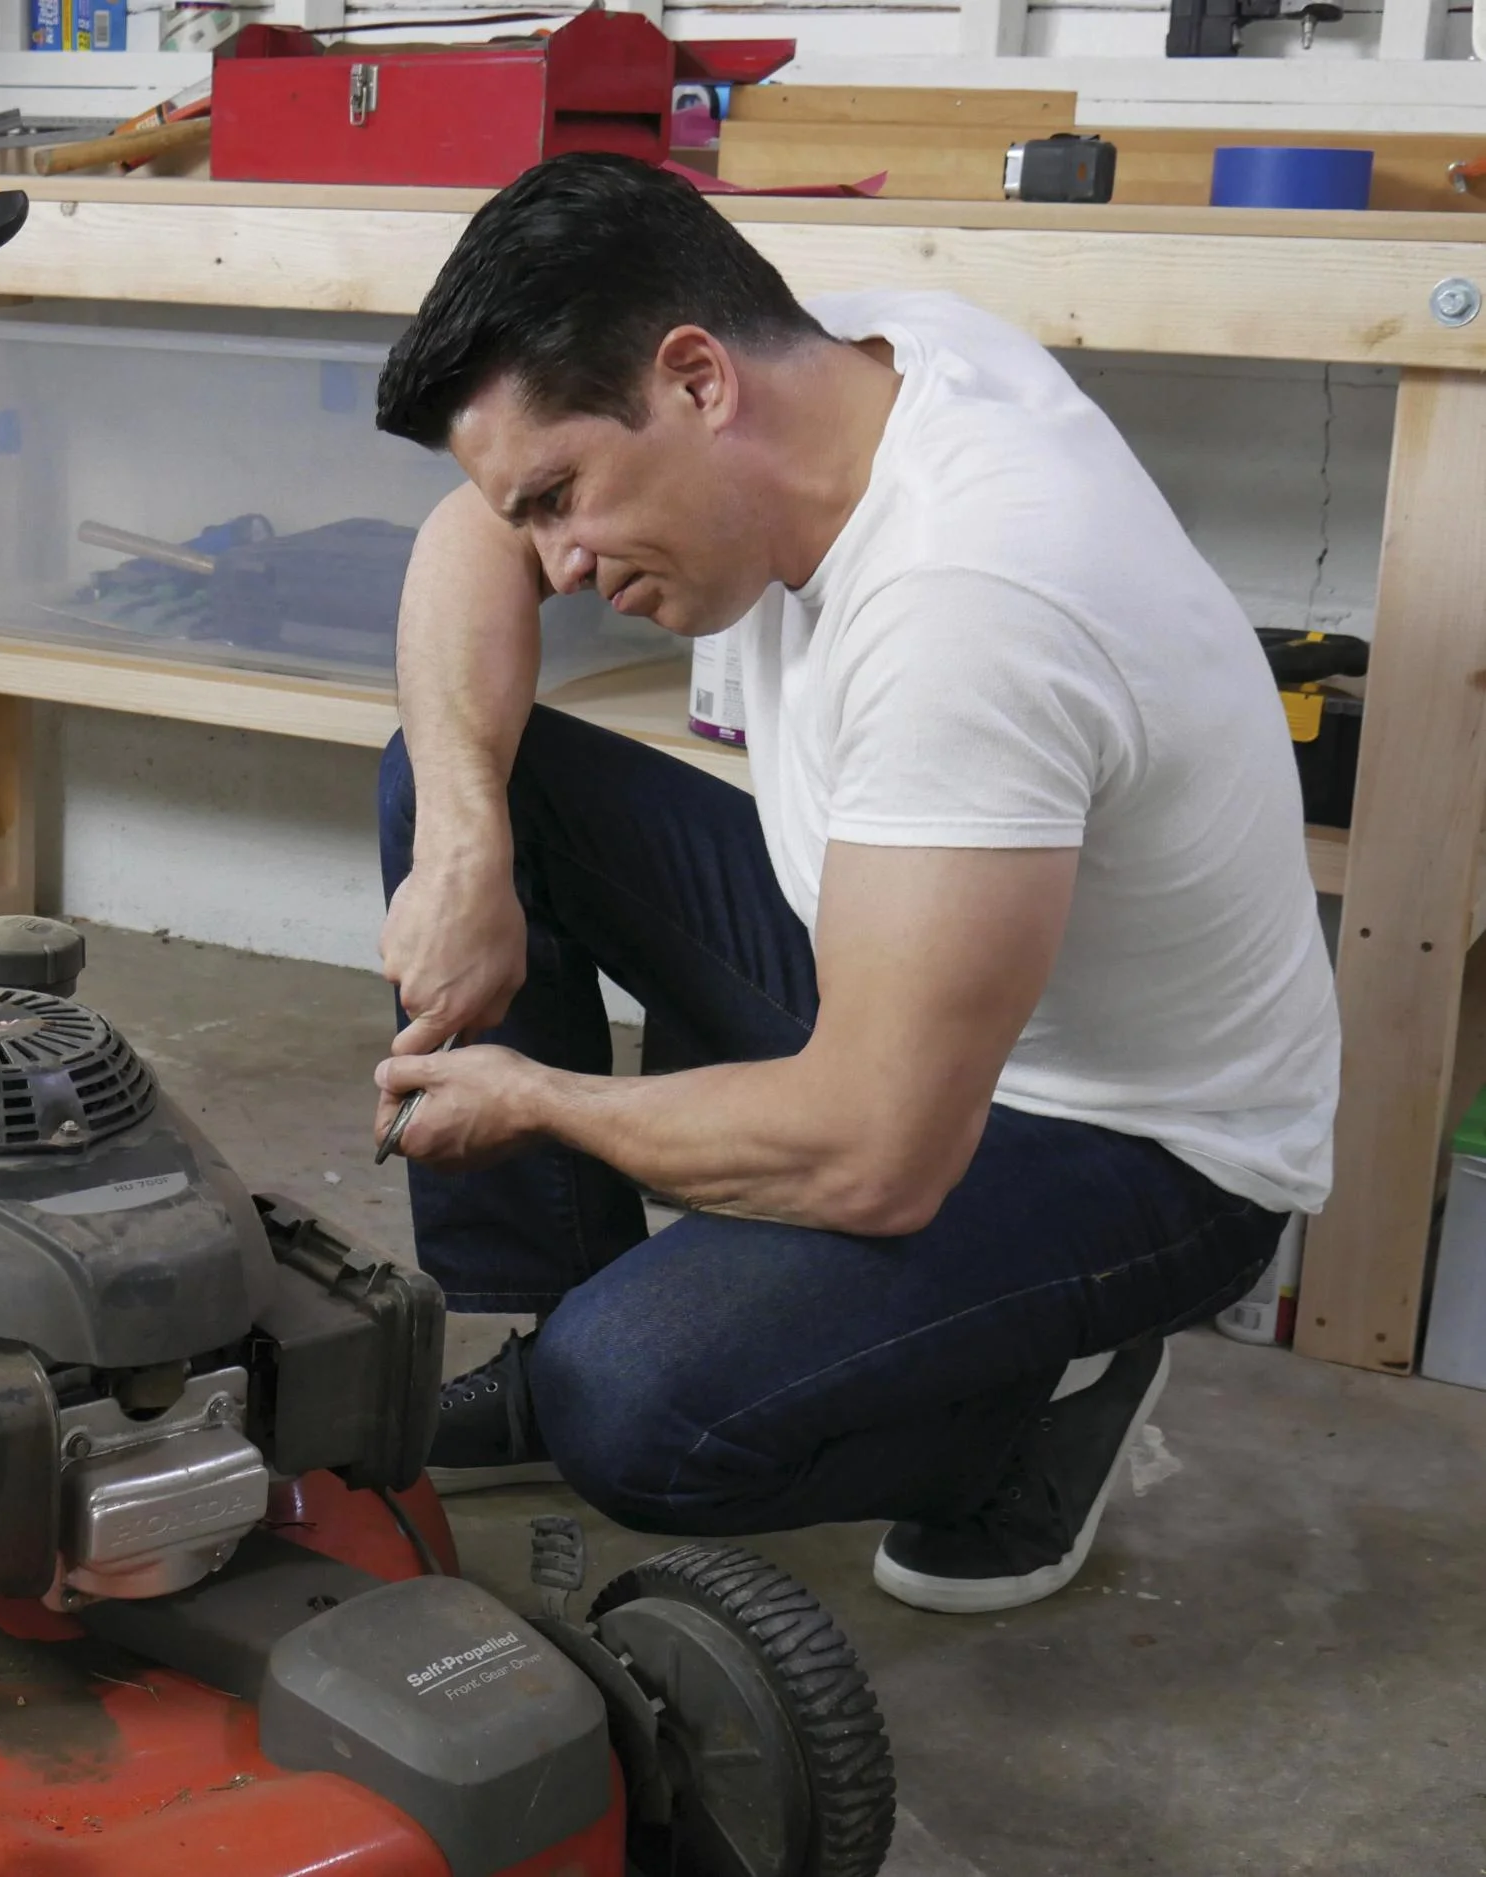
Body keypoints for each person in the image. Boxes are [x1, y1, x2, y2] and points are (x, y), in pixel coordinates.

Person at [370, 153, 1338, 1614]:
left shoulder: (970, 604)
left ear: (696, 381)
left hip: (1135, 1143)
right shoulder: (840, 359)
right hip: (916, 966)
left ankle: (1028, 1416)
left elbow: (877, 1156)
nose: (555, 565)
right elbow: (469, 537)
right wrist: (463, 845)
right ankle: (555, 1310)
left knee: (631, 1405)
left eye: (565, 497)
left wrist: (538, 1099)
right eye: (536, 511)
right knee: (464, 773)